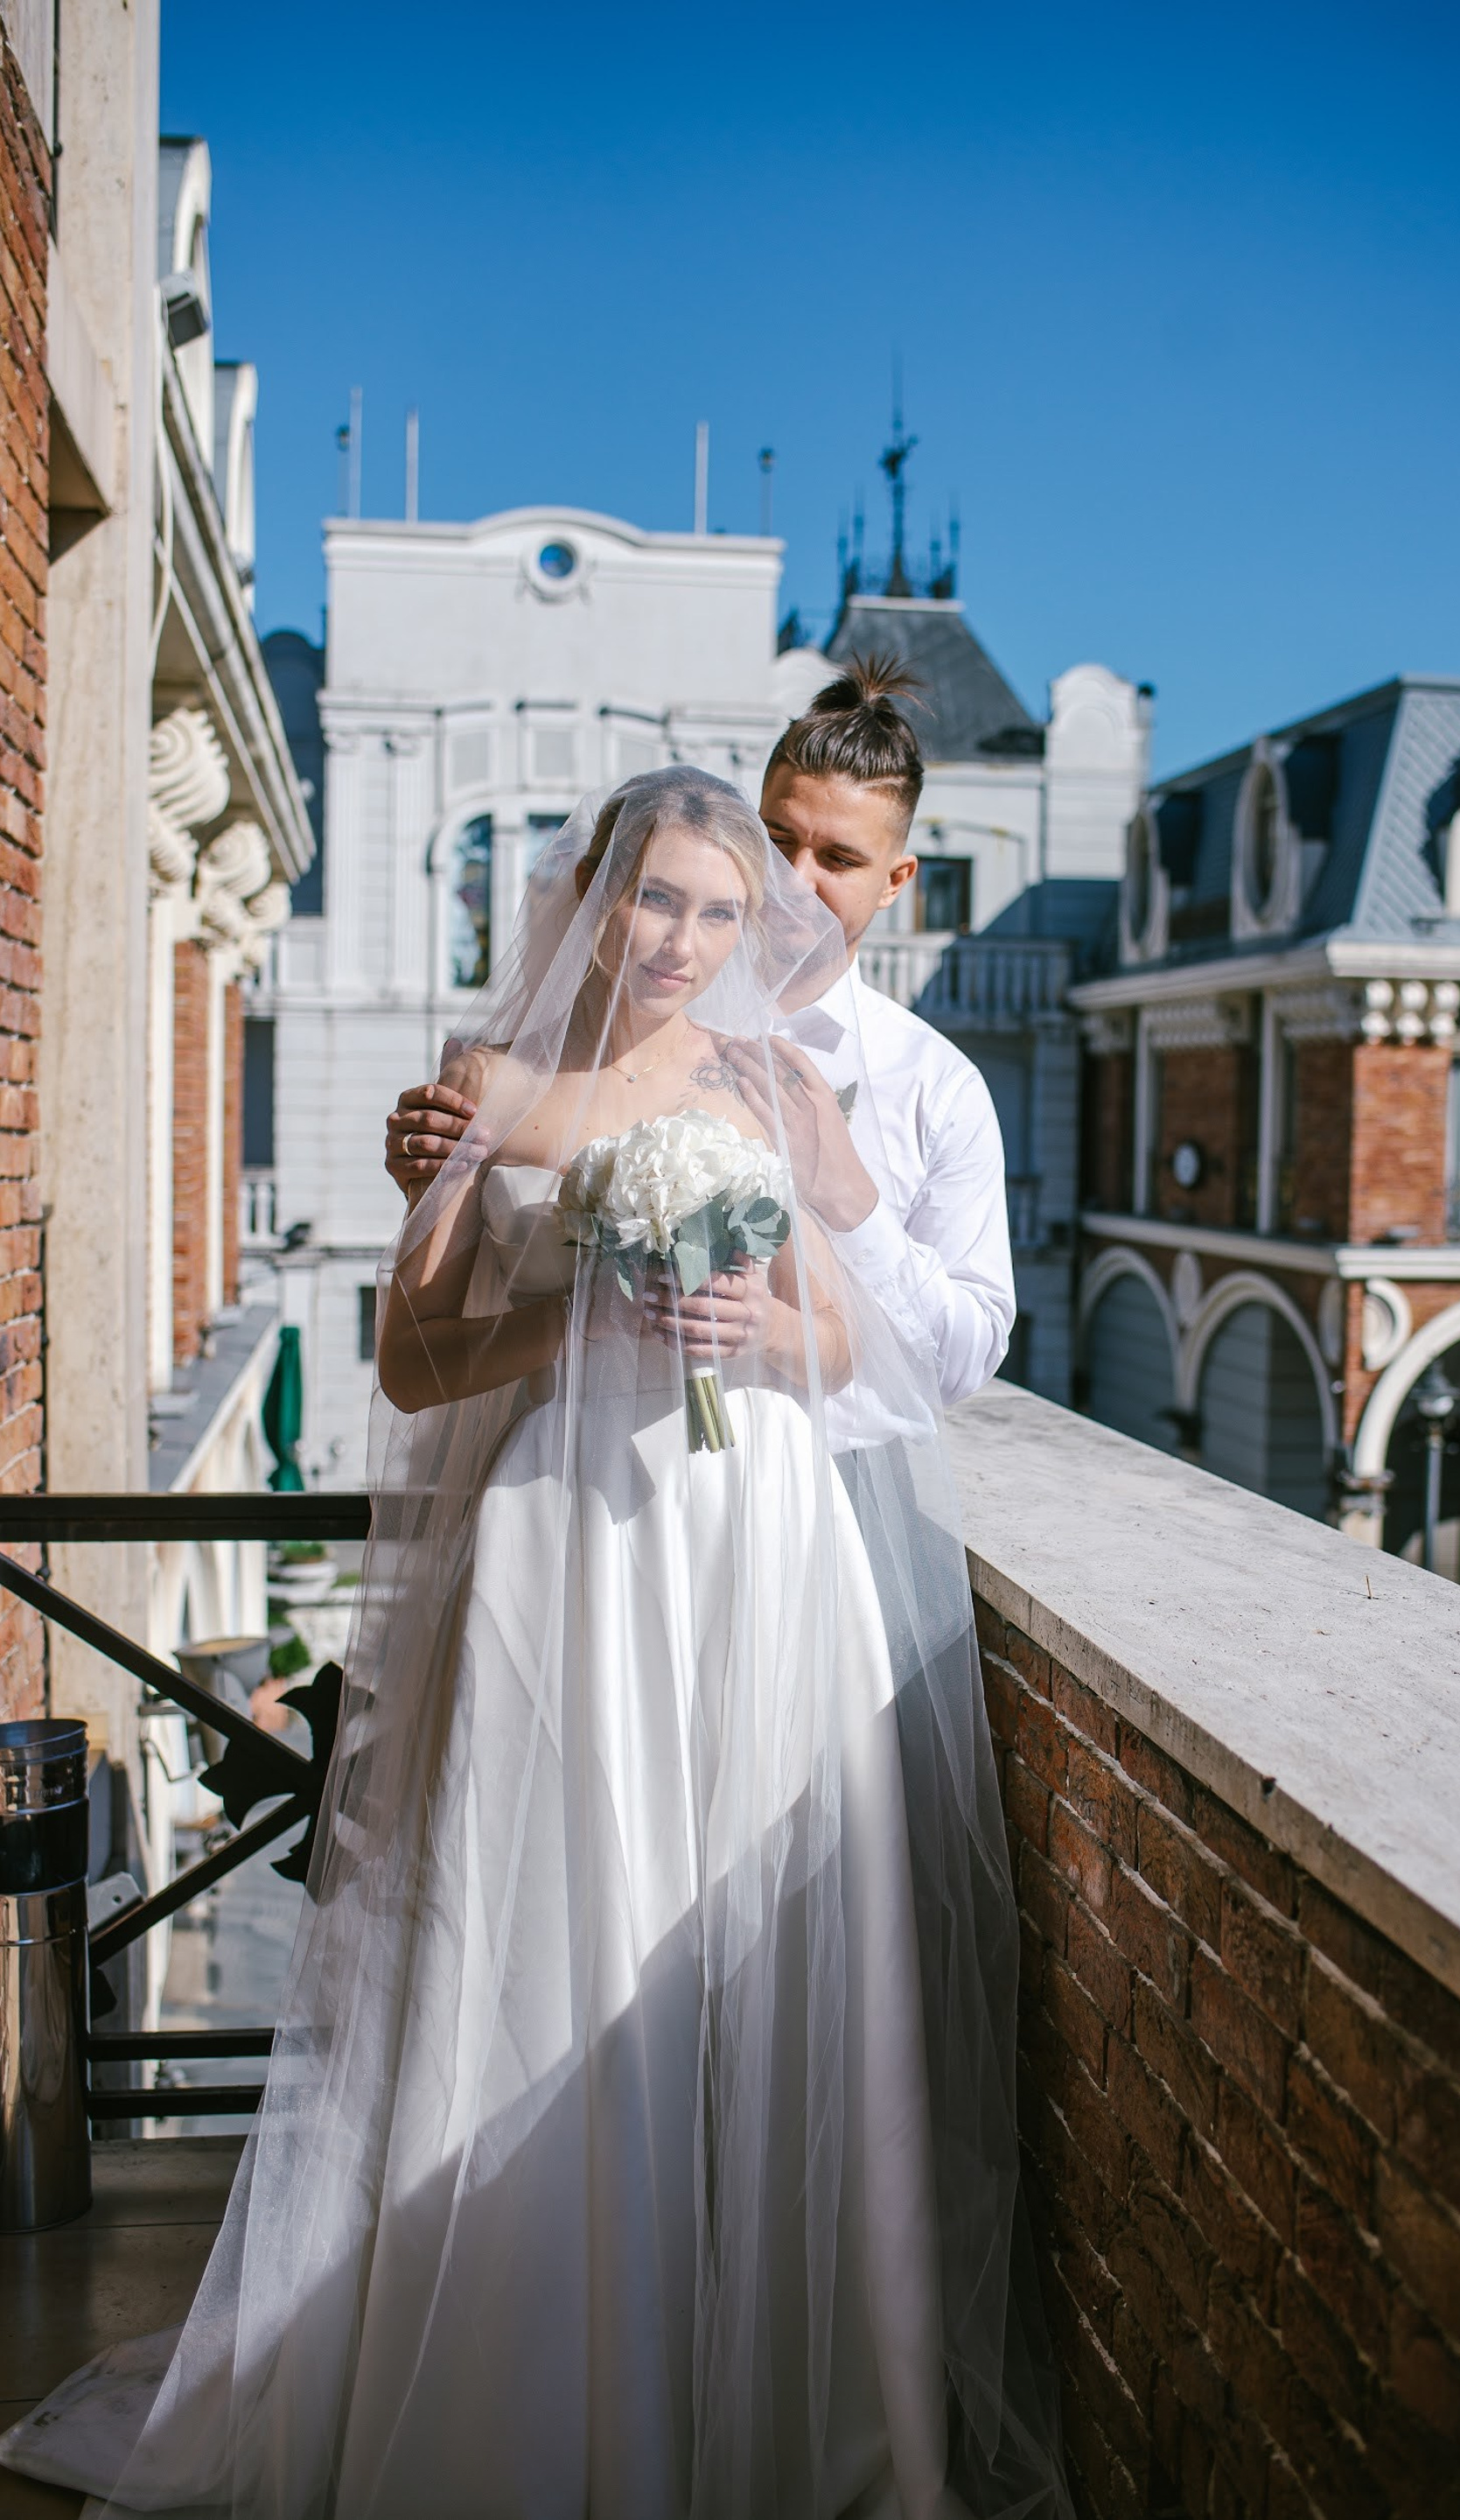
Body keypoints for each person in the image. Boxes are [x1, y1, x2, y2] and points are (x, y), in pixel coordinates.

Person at [3, 770, 1066, 2520]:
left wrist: (752, 1315)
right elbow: (417, 1363)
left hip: (753, 1545)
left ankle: (781, 2415)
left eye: (723, 913)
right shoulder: (483, 1085)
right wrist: (584, 1290)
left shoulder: (780, 1083)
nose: (689, 940)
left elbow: (868, 1342)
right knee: (536, 1948)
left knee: (747, 1958)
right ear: (595, 892)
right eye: (661, 899)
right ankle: (530, 2414)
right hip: (561, 1548)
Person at [386, 658, 1016, 1410]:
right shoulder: (506, 1075)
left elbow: (939, 1360)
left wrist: (847, 1203)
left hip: (783, 1477)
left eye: (839, 859)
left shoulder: (922, 1085)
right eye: (777, 841)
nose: (795, 881)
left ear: (897, 880)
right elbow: (416, 1357)